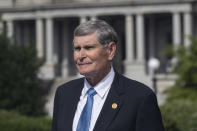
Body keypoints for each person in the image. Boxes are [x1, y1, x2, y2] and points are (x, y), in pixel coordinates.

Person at [52, 20, 164, 131]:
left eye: (89, 47)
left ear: (110, 50)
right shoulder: (64, 93)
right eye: (77, 49)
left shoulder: (140, 97)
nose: (80, 55)